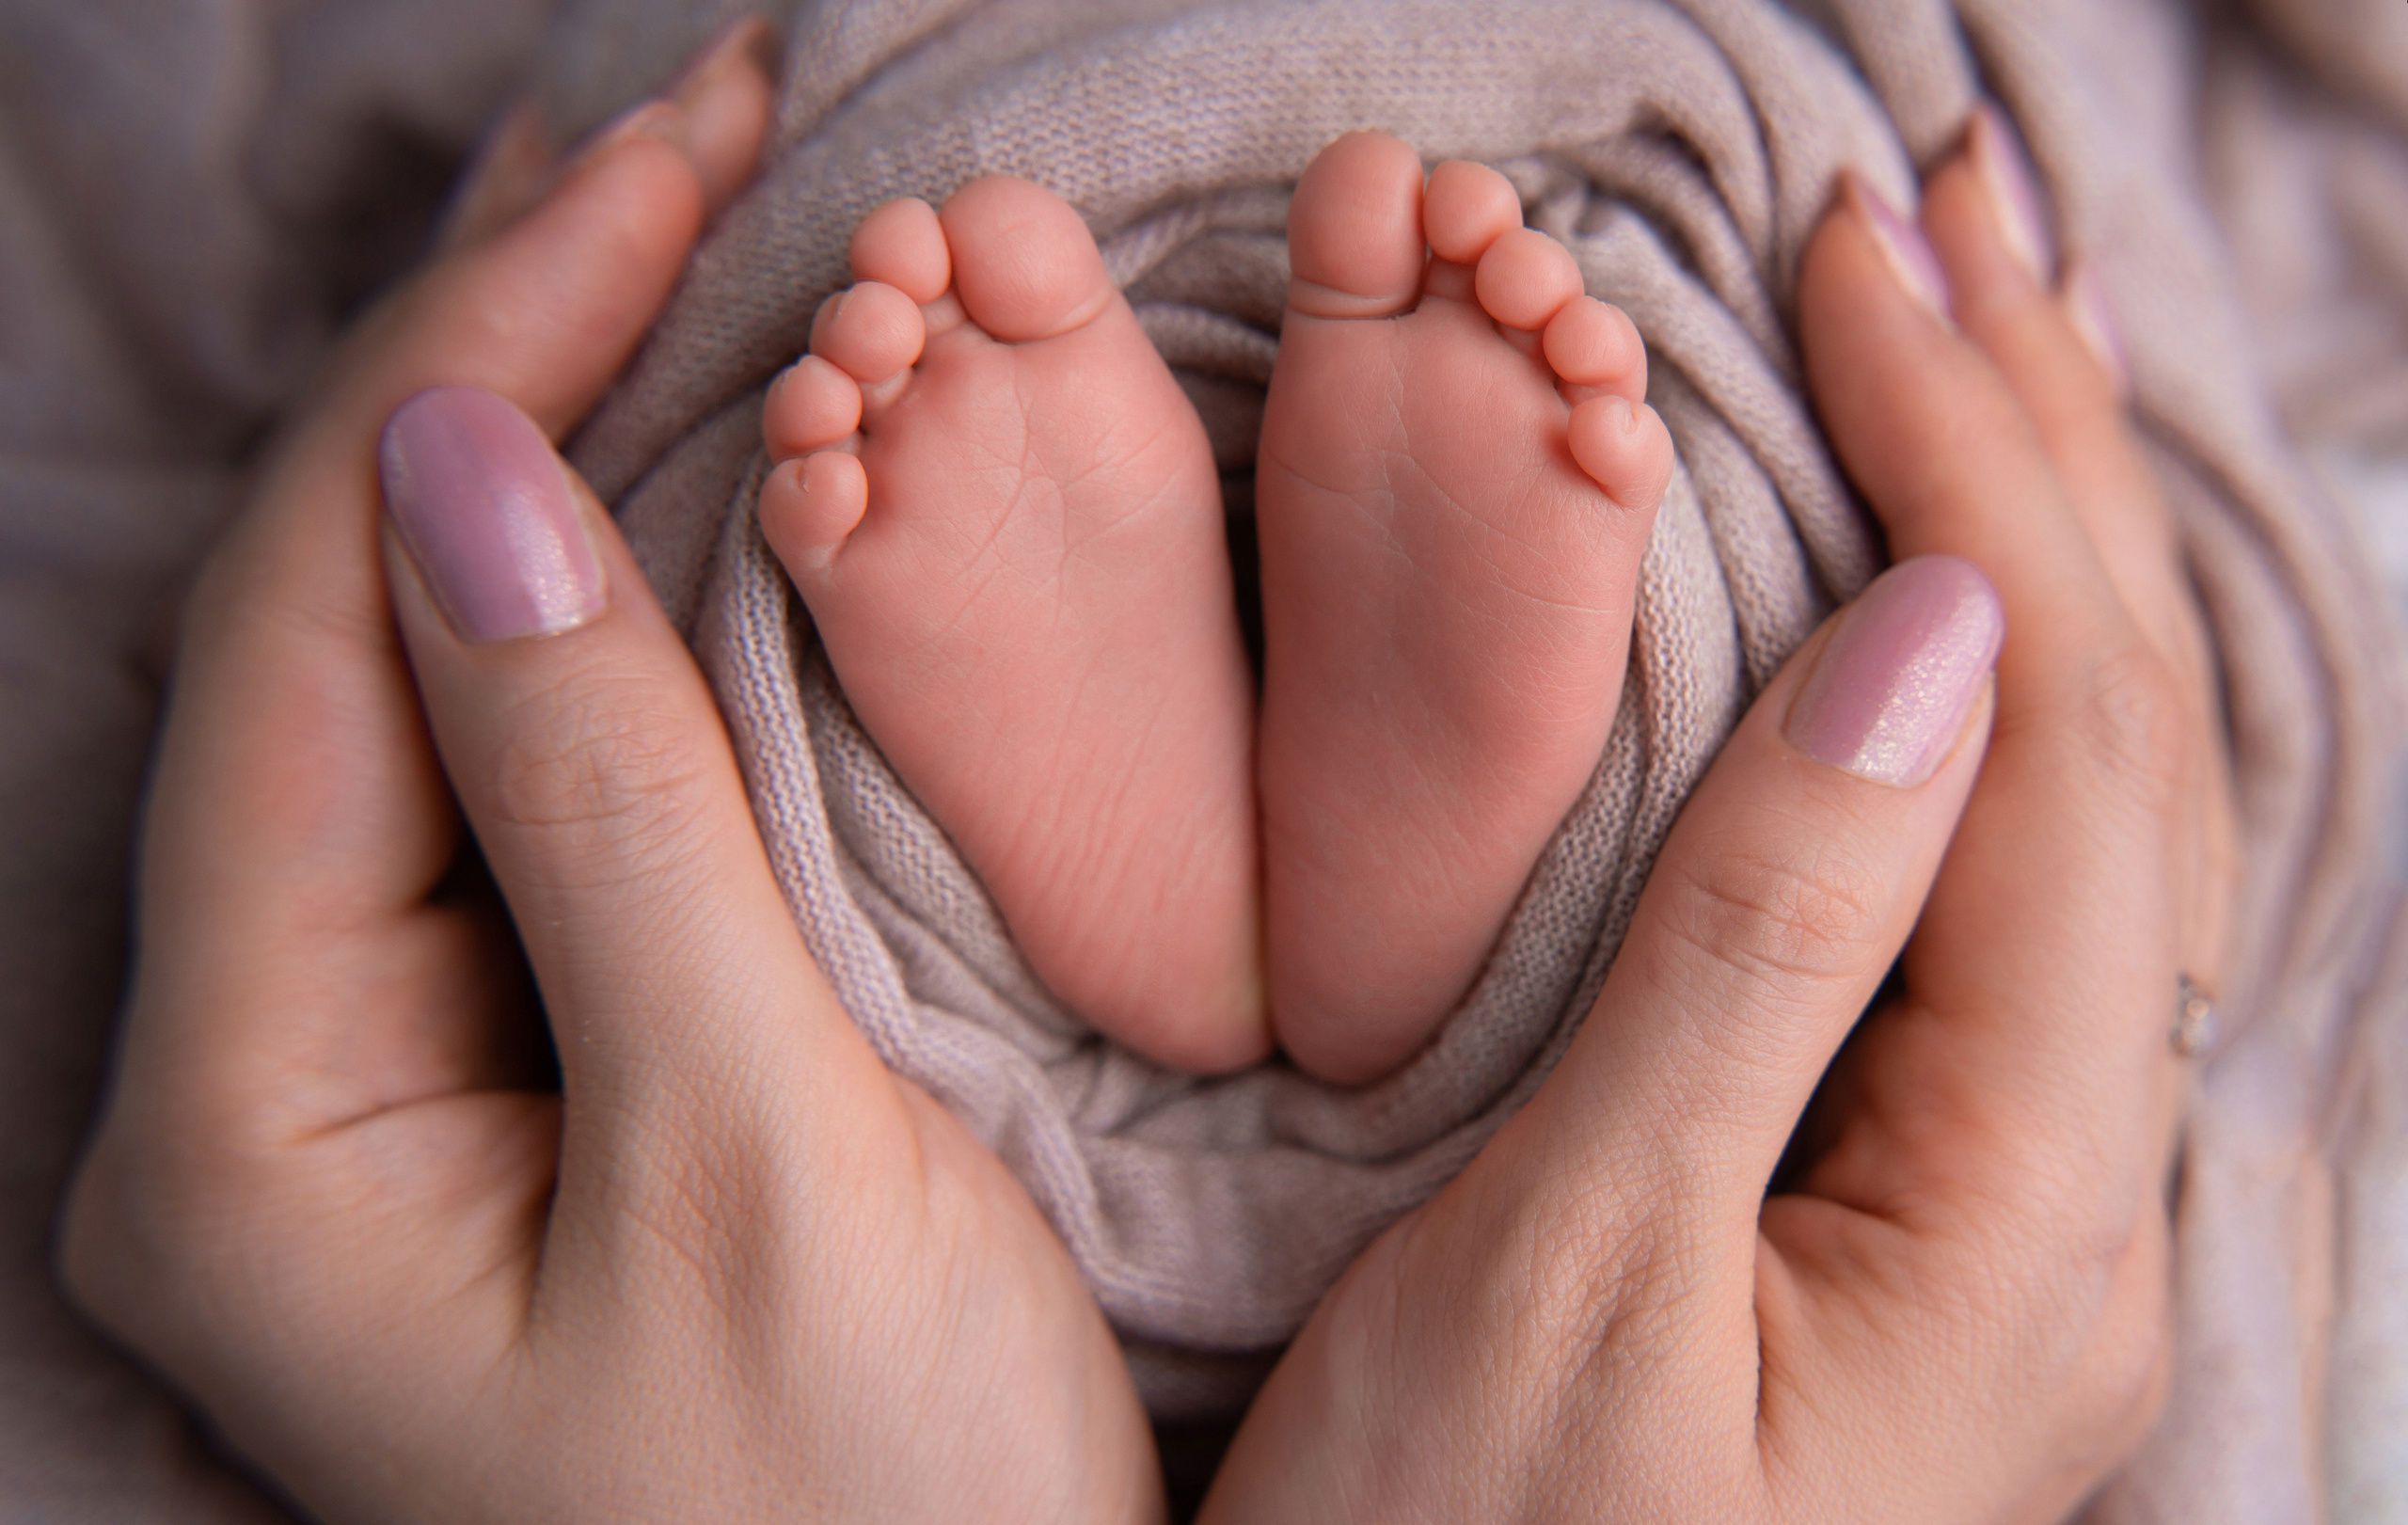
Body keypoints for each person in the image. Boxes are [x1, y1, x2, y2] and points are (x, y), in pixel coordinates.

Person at [57, 21, 2235, 1522]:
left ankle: (1172, 902)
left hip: (777, 1315)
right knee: (1752, 569)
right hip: (1633, 1380)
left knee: (754, 472)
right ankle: (1468, 934)